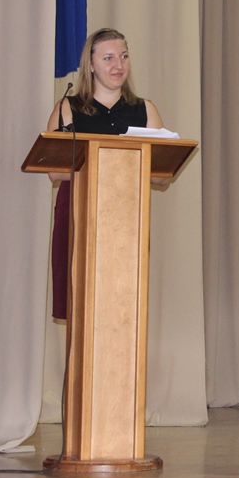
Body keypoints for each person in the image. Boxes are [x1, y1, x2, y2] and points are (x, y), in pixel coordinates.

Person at [45, 28, 165, 320]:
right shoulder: (67, 108)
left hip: (126, 218)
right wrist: (110, 163)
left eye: (124, 57)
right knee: (80, 304)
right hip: (78, 213)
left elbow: (162, 176)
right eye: (108, 58)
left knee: (121, 305)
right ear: (90, 65)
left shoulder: (145, 110)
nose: (118, 65)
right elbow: (54, 171)